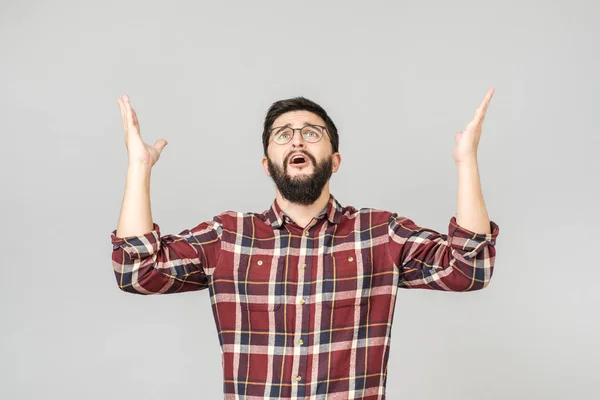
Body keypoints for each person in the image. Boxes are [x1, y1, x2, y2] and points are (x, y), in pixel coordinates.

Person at [110, 91, 500, 399]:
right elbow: (138, 272)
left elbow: (469, 270)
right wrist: (139, 168)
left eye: (311, 133)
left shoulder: (379, 232)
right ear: (267, 164)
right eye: (284, 134)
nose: (297, 139)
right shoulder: (228, 236)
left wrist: (466, 163)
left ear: (334, 160)